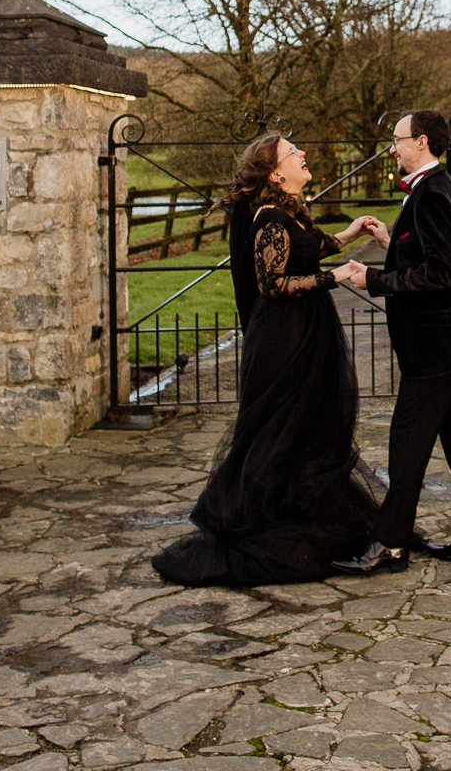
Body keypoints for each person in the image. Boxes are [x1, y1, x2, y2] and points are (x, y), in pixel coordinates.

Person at [151, 134, 386, 587]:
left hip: (305, 332)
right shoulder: (269, 217)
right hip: (283, 340)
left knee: (308, 426)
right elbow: (273, 284)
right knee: (279, 428)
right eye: (294, 152)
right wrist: (334, 278)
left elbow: (309, 249)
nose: (303, 154)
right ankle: (256, 524)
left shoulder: (292, 212)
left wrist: (351, 233)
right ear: (277, 173)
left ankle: (300, 513)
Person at [333, 109, 451, 574]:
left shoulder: (433, 195)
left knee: (407, 442)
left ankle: (390, 544)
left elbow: (441, 275)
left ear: (420, 141)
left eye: (398, 140)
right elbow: (431, 255)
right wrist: (391, 244)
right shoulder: (436, 189)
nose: (393, 147)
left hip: (437, 344)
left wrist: (375, 279)